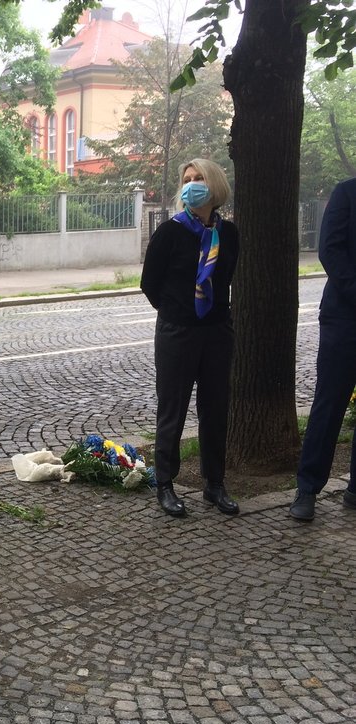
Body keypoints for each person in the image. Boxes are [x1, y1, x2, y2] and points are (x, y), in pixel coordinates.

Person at [141, 158, 240, 518]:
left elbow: (225, 278)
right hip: (177, 332)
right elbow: (149, 284)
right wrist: (177, 312)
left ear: (214, 187)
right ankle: (165, 484)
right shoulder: (169, 232)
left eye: (199, 178)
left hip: (216, 333)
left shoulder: (227, 234)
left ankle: (215, 484)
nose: (192, 184)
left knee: (215, 410)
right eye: (187, 179)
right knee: (173, 410)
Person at [290, 178, 356, 521]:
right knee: (329, 404)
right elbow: (330, 250)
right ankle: (308, 488)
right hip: (345, 318)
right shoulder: (347, 193)